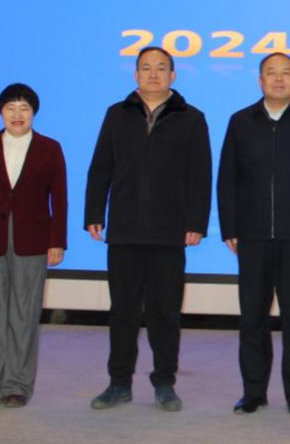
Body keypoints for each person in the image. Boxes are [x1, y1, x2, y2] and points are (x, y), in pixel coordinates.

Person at [85, 46, 212, 412]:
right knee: (122, 311)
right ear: (135, 75)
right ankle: (118, 383)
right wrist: (94, 211)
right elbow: (101, 167)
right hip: (124, 229)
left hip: (168, 231)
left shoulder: (191, 118)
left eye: (160, 68)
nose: (153, 74)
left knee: (165, 312)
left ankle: (165, 383)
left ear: (173, 75)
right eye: (145, 68)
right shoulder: (117, 114)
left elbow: (200, 174)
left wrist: (196, 222)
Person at [217, 52, 290, 416]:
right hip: (251, 235)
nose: (279, 79)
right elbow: (227, 177)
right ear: (260, 81)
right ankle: (253, 392)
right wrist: (230, 226)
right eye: (271, 73)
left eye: (286, 73)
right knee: (252, 316)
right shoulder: (241, 121)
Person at [0, 83, 67, 408]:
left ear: (34, 113)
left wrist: (57, 241)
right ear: (1, 112)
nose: (17, 115)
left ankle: (18, 384)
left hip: (32, 240)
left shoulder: (50, 148)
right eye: (10, 108)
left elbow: (60, 199)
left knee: (25, 313)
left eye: (24, 108)